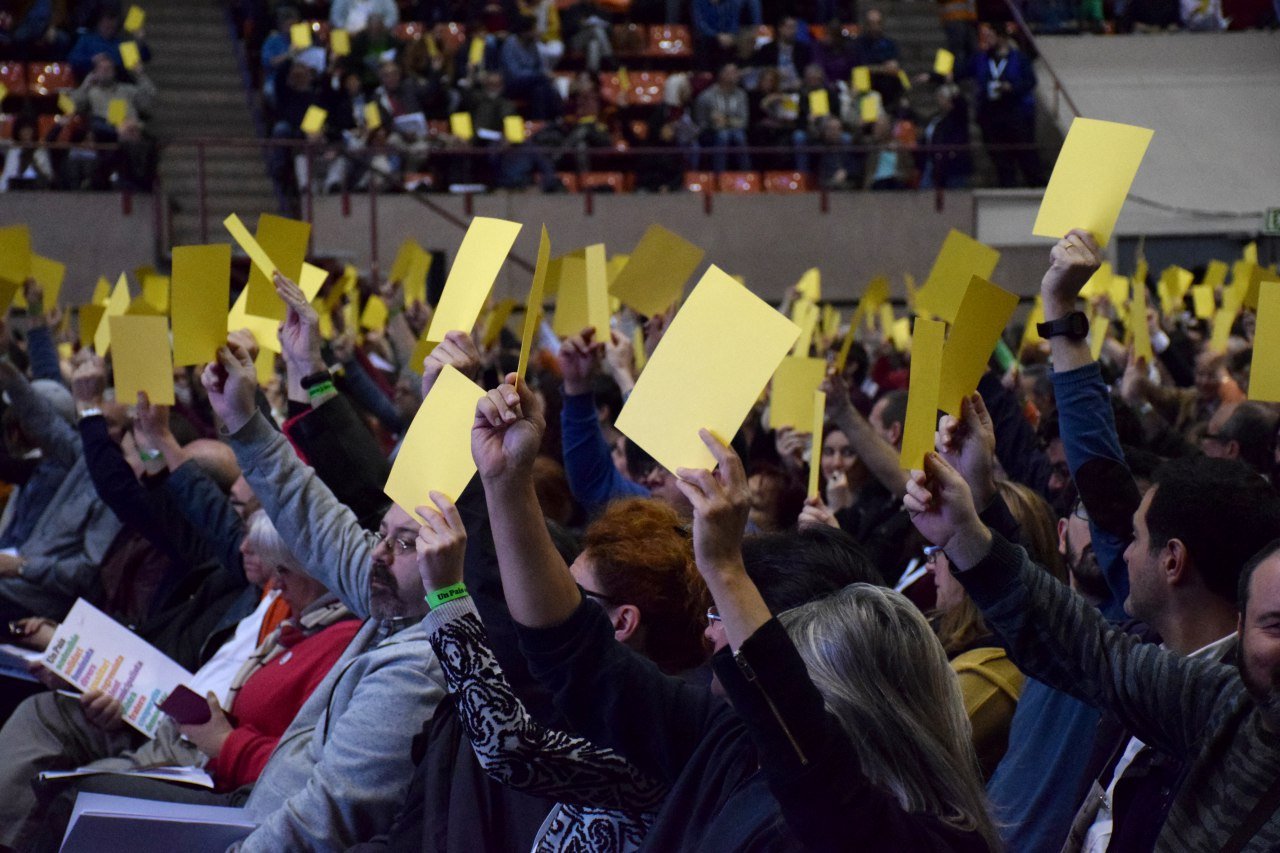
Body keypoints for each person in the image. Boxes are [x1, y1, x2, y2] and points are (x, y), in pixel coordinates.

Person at [467, 369, 1001, 850]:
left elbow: (815, 771)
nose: (710, 638)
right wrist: (505, 485)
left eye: (727, 616)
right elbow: (573, 653)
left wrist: (726, 568)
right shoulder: (732, 743)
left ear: (812, 669)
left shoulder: (905, 836)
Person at [968, 27, 1041, 188]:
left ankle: (1035, 186)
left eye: (990, 36)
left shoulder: (1019, 58)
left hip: (1015, 113)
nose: (986, 40)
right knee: (1000, 158)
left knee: (1025, 154)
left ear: (1001, 37)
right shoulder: (982, 58)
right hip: (991, 114)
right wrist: (935, 76)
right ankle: (1008, 186)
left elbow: (1030, 82)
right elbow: (963, 71)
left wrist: (1012, 87)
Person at [693, 63, 751, 173]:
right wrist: (712, 121)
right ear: (722, 75)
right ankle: (719, 175)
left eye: (736, 72)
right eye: (732, 72)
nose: (736, 75)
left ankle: (746, 174)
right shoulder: (706, 96)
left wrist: (726, 120)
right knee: (723, 136)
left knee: (739, 136)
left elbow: (744, 121)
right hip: (711, 131)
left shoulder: (741, 95)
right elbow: (700, 122)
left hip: (735, 130)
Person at [329, 0, 399, 33]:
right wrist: (346, 30)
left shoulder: (385, 1)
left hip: (375, 34)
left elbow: (392, 17)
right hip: (348, 33)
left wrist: (381, 28)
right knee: (337, 35)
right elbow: (335, 17)